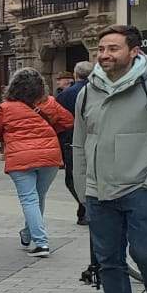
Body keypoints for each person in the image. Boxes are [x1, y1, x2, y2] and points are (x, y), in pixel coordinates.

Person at [75, 25, 147, 293]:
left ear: (134, 51)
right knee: (108, 260)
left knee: (145, 251)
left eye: (113, 48)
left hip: (142, 188)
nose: (105, 55)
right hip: (99, 192)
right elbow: (79, 143)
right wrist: (82, 186)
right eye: (101, 49)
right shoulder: (88, 90)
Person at [0, 69, 73, 258]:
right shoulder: (49, 102)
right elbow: (68, 121)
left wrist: (8, 136)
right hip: (49, 156)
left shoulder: (6, 107)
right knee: (38, 198)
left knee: (29, 199)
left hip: (20, 158)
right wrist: (50, 130)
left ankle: (41, 243)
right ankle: (27, 234)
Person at [57, 60, 89, 225]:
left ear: (76, 76)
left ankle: (85, 208)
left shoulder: (66, 94)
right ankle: (84, 211)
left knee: (73, 177)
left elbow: (55, 120)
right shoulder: (99, 90)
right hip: (93, 139)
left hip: (71, 140)